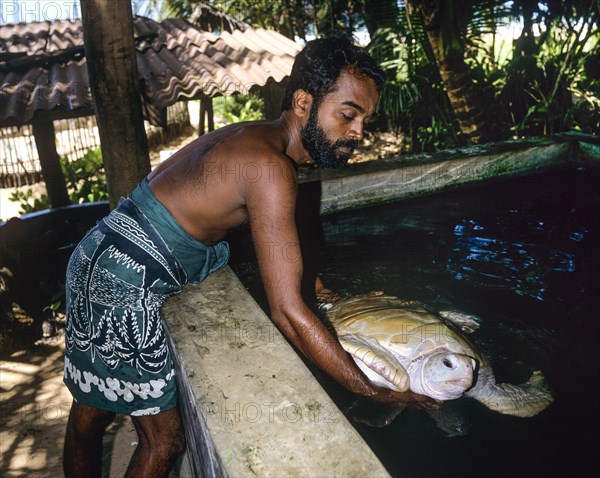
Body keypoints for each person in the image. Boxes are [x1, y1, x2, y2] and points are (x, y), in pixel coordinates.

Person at [62, 33, 437, 478]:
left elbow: (274, 239)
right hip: (126, 280)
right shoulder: (271, 168)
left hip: (96, 254)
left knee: (91, 412)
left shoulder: (255, 139)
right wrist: (371, 391)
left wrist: (321, 290)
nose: (358, 132)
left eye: (363, 119)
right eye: (348, 115)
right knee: (164, 440)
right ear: (303, 101)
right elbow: (287, 313)